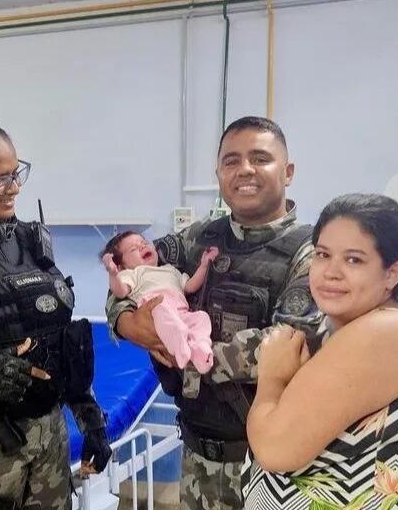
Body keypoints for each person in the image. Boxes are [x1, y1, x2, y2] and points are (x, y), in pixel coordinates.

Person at [106, 116, 325, 510]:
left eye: (260, 159)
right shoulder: (198, 237)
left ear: (288, 172)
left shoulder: (311, 252)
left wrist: (189, 355)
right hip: (196, 458)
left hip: (269, 470)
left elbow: (290, 344)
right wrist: (126, 321)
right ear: (219, 173)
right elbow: (128, 271)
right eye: (231, 161)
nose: (245, 170)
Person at [0, 115, 112, 510]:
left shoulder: (32, 241)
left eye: (16, 174)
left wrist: (90, 418)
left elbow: (63, 342)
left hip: (50, 437)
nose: (14, 188)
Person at [244, 193, 398, 510]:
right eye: (322, 255)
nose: (331, 271)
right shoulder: (336, 330)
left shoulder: (387, 333)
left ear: (392, 273)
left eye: (354, 260)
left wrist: (271, 380)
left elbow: (276, 449)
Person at [101, 231, 219, 373]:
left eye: (144, 243)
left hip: (182, 312)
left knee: (201, 317)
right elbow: (120, 292)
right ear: (121, 267)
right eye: (133, 249)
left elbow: (189, 286)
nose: (142, 247)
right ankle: (180, 349)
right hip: (158, 310)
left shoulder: (170, 270)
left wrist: (204, 266)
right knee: (164, 314)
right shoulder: (133, 274)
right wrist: (113, 273)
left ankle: (200, 349)